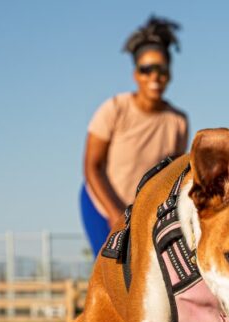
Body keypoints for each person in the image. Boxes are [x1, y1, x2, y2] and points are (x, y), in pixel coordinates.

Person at [81, 16, 189, 255]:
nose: (154, 77)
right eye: (146, 69)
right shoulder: (114, 109)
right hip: (101, 203)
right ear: (136, 74)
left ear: (169, 73)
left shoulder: (177, 121)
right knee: (110, 268)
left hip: (142, 209)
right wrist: (114, 213)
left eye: (161, 69)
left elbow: (171, 177)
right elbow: (92, 167)